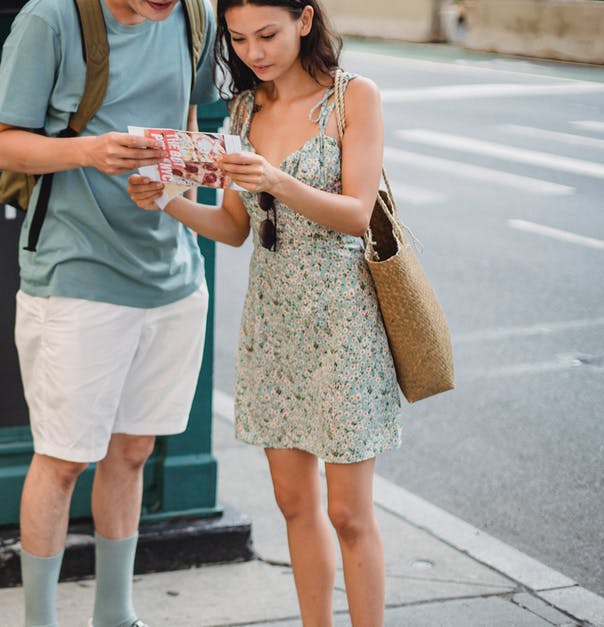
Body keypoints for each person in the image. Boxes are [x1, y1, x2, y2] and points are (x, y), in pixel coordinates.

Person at [127, 1, 400, 626]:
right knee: (293, 504)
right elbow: (232, 227)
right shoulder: (247, 110)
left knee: (348, 514)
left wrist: (275, 179)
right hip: (274, 324)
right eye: (240, 38)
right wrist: (166, 200)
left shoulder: (354, 98)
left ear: (306, 21)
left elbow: (357, 215)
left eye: (269, 34)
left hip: (345, 321)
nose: (255, 51)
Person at [0, 0, 218, 625]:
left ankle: (116, 615)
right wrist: (89, 152)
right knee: (62, 459)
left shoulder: (195, 14)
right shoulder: (50, 19)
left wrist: (180, 184)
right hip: (76, 273)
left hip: (172, 273)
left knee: (134, 451)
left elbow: (188, 118)